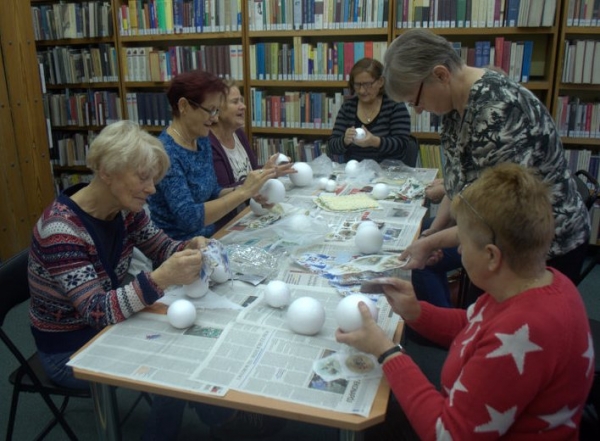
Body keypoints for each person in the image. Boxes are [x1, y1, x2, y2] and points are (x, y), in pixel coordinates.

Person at [28, 121, 283, 440]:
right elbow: (96, 311)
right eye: (143, 177)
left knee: (192, 337)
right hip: (71, 347)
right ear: (107, 172)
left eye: (154, 178)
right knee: (173, 363)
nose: (151, 188)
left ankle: (217, 415)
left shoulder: (123, 208)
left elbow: (160, 245)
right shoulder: (61, 232)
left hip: (108, 325)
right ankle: (207, 420)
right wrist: (161, 277)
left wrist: (189, 247)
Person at [336, 163, 595, 440]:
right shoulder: (537, 284)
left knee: (376, 419)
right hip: (472, 411)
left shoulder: (523, 332)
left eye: (464, 243)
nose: (458, 250)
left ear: (492, 256)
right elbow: (475, 324)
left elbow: (447, 434)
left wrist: (386, 352)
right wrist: (416, 311)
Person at [384, 29, 590, 307]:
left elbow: (498, 218)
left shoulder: (498, 110)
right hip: (493, 238)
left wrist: (432, 243)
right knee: (474, 318)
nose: (418, 110)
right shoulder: (456, 106)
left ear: (441, 75)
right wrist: (435, 232)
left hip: (539, 249)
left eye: (415, 100)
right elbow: (461, 184)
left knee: (492, 327)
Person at [148, 70, 277, 240]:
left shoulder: (200, 140)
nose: (214, 118)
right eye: (210, 110)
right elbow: (189, 218)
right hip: (179, 251)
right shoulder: (166, 153)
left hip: (210, 239)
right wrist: (243, 193)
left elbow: (213, 190)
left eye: (216, 110)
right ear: (184, 106)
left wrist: (248, 189)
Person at [209, 79, 295, 229]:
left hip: (249, 214)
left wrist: (272, 171)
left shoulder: (239, 134)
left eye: (242, 101)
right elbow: (219, 192)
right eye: (235, 102)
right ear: (217, 109)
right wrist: (264, 173)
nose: (243, 106)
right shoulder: (209, 144)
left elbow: (251, 173)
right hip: (227, 224)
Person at [327, 57, 416, 165]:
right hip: (356, 172)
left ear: (380, 82)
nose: (361, 90)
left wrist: (375, 142)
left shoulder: (394, 105)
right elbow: (332, 146)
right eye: (357, 85)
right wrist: (344, 141)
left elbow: (402, 146)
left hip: (388, 173)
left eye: (367, 84)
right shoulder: (348, 107)